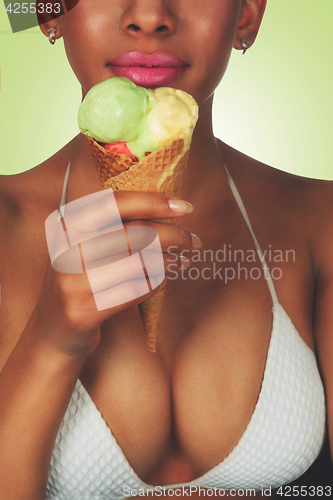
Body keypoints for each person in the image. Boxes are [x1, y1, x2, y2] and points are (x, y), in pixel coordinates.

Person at [0, 1, 332, 499]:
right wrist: (50, 341)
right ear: (48, 13)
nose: (151, 15)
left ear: (248, 14)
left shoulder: (319, 217)